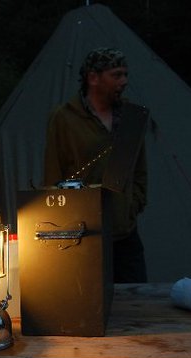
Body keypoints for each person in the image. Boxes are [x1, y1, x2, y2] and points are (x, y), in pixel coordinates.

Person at [44, 47, 148, 283]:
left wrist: (133, 204)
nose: (124, 81)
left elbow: (140, 168)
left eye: (125, 74)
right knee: (89, 299)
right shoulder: (65, 118)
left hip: (125, 234)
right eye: (116, 75)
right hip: (85, 234)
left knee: (134, 297)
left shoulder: (131, 116)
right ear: (93, 78)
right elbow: (53, 173)